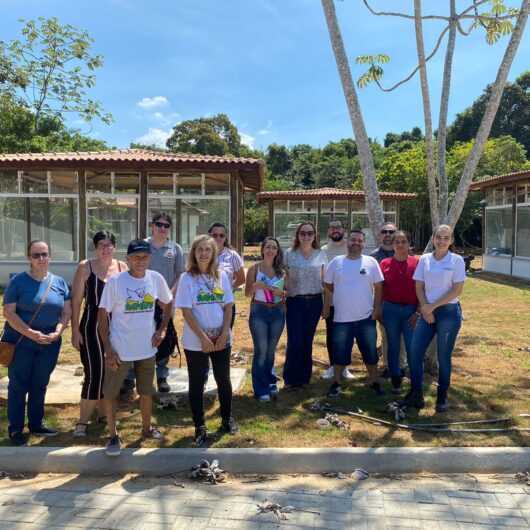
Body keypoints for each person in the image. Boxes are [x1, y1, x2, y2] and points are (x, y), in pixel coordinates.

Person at [98, 239, 173, 456]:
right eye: (136, 257)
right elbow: (102, 314)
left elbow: (168, 302)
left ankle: (147, 429)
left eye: (145, 257)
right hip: (120, 350)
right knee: (111, 393)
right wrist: (108, 348)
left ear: (150, 258)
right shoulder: (116, 282)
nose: (141, 261)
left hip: (147, 349)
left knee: (146, 391)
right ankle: (113, 436)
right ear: (128, 259)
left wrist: (162, 329)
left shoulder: (155, 278)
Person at [2, 241, 71, 446]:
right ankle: (15, 429)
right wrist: (30, 333)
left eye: (44, 254)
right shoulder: (18, 282)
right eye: (36, 255)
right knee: (18, 385)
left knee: (40, 383)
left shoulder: (59, 283)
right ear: (29, 258)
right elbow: (8, 312)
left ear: (50, 256)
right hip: (22, 341)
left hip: (49, 342)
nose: (41, 258)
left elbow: (66, 311)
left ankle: (36, 423)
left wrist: (58, 331)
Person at [175, 234, 237, 446]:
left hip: (221, 338)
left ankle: (227, 419)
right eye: (199, 249)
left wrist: (224, 333)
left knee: (223, 379)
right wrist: (203, 338)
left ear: (214, 253)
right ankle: (200, 425)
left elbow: (228, 305)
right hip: (196, 340)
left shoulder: (221, 276)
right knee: (197, 382)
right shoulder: (187, 278)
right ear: (194, 252)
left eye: (207, 250)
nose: (203, 253)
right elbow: (186, 311)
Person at [403, 224, 466, 413]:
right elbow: (419, 286)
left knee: (443, 357)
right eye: (439, 237)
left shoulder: (456, 260)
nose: (442, 241)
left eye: (446, 238)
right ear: (433, 238)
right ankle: (416, 394)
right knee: (414, 353)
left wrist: (432, 306)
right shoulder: (425, 259)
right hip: (427, 312)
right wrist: (425, 308)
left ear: (451, 241)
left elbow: (457, 289)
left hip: (448, 312)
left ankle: (442, 396)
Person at [71, 231, 127, 437]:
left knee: (111, 372)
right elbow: (76, 301)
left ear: (114, 247)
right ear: (95, 248)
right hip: (91, 326)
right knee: (94, 373)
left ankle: (104, 414)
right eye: (101, 245)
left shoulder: (122, 268)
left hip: (117, 327)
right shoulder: (86, 267)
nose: (105, 249)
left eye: (109, 244)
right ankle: (82, 422)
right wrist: (74, 330)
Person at [121, 213, 184, 395]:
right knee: (138, 336)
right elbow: (132, 271)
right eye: (159, 224)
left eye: (166, 226)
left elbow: (180, 274)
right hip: (143, 301)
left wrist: (168, 298)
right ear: (152, 226)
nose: (162, 228)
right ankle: (130, 377)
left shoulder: (175, 248)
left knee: (164, 339)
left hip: (166, 303)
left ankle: (162, 376)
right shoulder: (142, 245)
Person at [323, 229, 384, 398]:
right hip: (342, 318)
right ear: (347, 242)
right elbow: (328, 285)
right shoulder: (336, 262)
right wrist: (328, 306)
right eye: (353, 240)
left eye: (359, 240)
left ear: (364, 243)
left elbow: (379, 287)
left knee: (370, 351)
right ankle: (336, 382)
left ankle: (374, 380)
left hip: (366, 317)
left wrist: (377, 309)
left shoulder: (371, 262)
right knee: (339, 352)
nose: (356, 243)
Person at [283, 221, 327, 388]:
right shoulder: (289, 253)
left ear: (314, 235)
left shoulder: (321, 254)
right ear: (298, 235)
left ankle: (304, 378)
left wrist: (325, 305)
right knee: (295, 340)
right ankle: (290, 379)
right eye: (303, 233)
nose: (306, 236)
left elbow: (325, 281)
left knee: (307, 340)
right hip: (295, 302)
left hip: (315, 302)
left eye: (310, 233)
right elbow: (283, 279)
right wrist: (283, 301)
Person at [245, 237, 287, 402]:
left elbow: (286, 293)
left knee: (271, 350)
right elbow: (247, 293)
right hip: (259, 311)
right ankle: (260, 388)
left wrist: (281, 293)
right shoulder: (254, 269)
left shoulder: (282, 271)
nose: (270, 250)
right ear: (262, 250)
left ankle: (270, 381)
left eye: (274, 248)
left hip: (277, 312)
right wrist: (256, 286)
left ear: (277, 251)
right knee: (261, 350)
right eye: (268, 247)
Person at [380, 231, 419, 394]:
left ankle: (415, 383)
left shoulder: (417, 263)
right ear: (393, 244)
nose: (400, 244)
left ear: (409, 244)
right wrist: (379, 309)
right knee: (393, 345)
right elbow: (380, 289)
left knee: (412, 347)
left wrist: (417, 311)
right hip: (390, 310)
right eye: (397, 241)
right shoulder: (384, 263)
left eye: (404, 241)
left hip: (410, 310)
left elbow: (422, 288)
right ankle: (396, 379)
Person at [321, 220, 353, 381]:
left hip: (349, 301)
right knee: (332, 334)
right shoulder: (323, 251)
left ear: (343, 230)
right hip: (331, 301)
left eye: (338, 227)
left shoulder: (350, 248)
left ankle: (345, 366)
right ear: (328, 231)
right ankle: (333, 366)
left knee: (347, 335)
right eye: (332, 227)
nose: (335, 230)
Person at [208, 222, 245, 328]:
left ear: (225, 237)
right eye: (214, 235)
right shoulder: (203, 253)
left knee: (224, 337)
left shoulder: (232, 255)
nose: (218, 238)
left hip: (225, 304)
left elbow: (241, 278)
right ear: (209, 236)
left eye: (221, 235)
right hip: (204, 302)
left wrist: (229, 288)